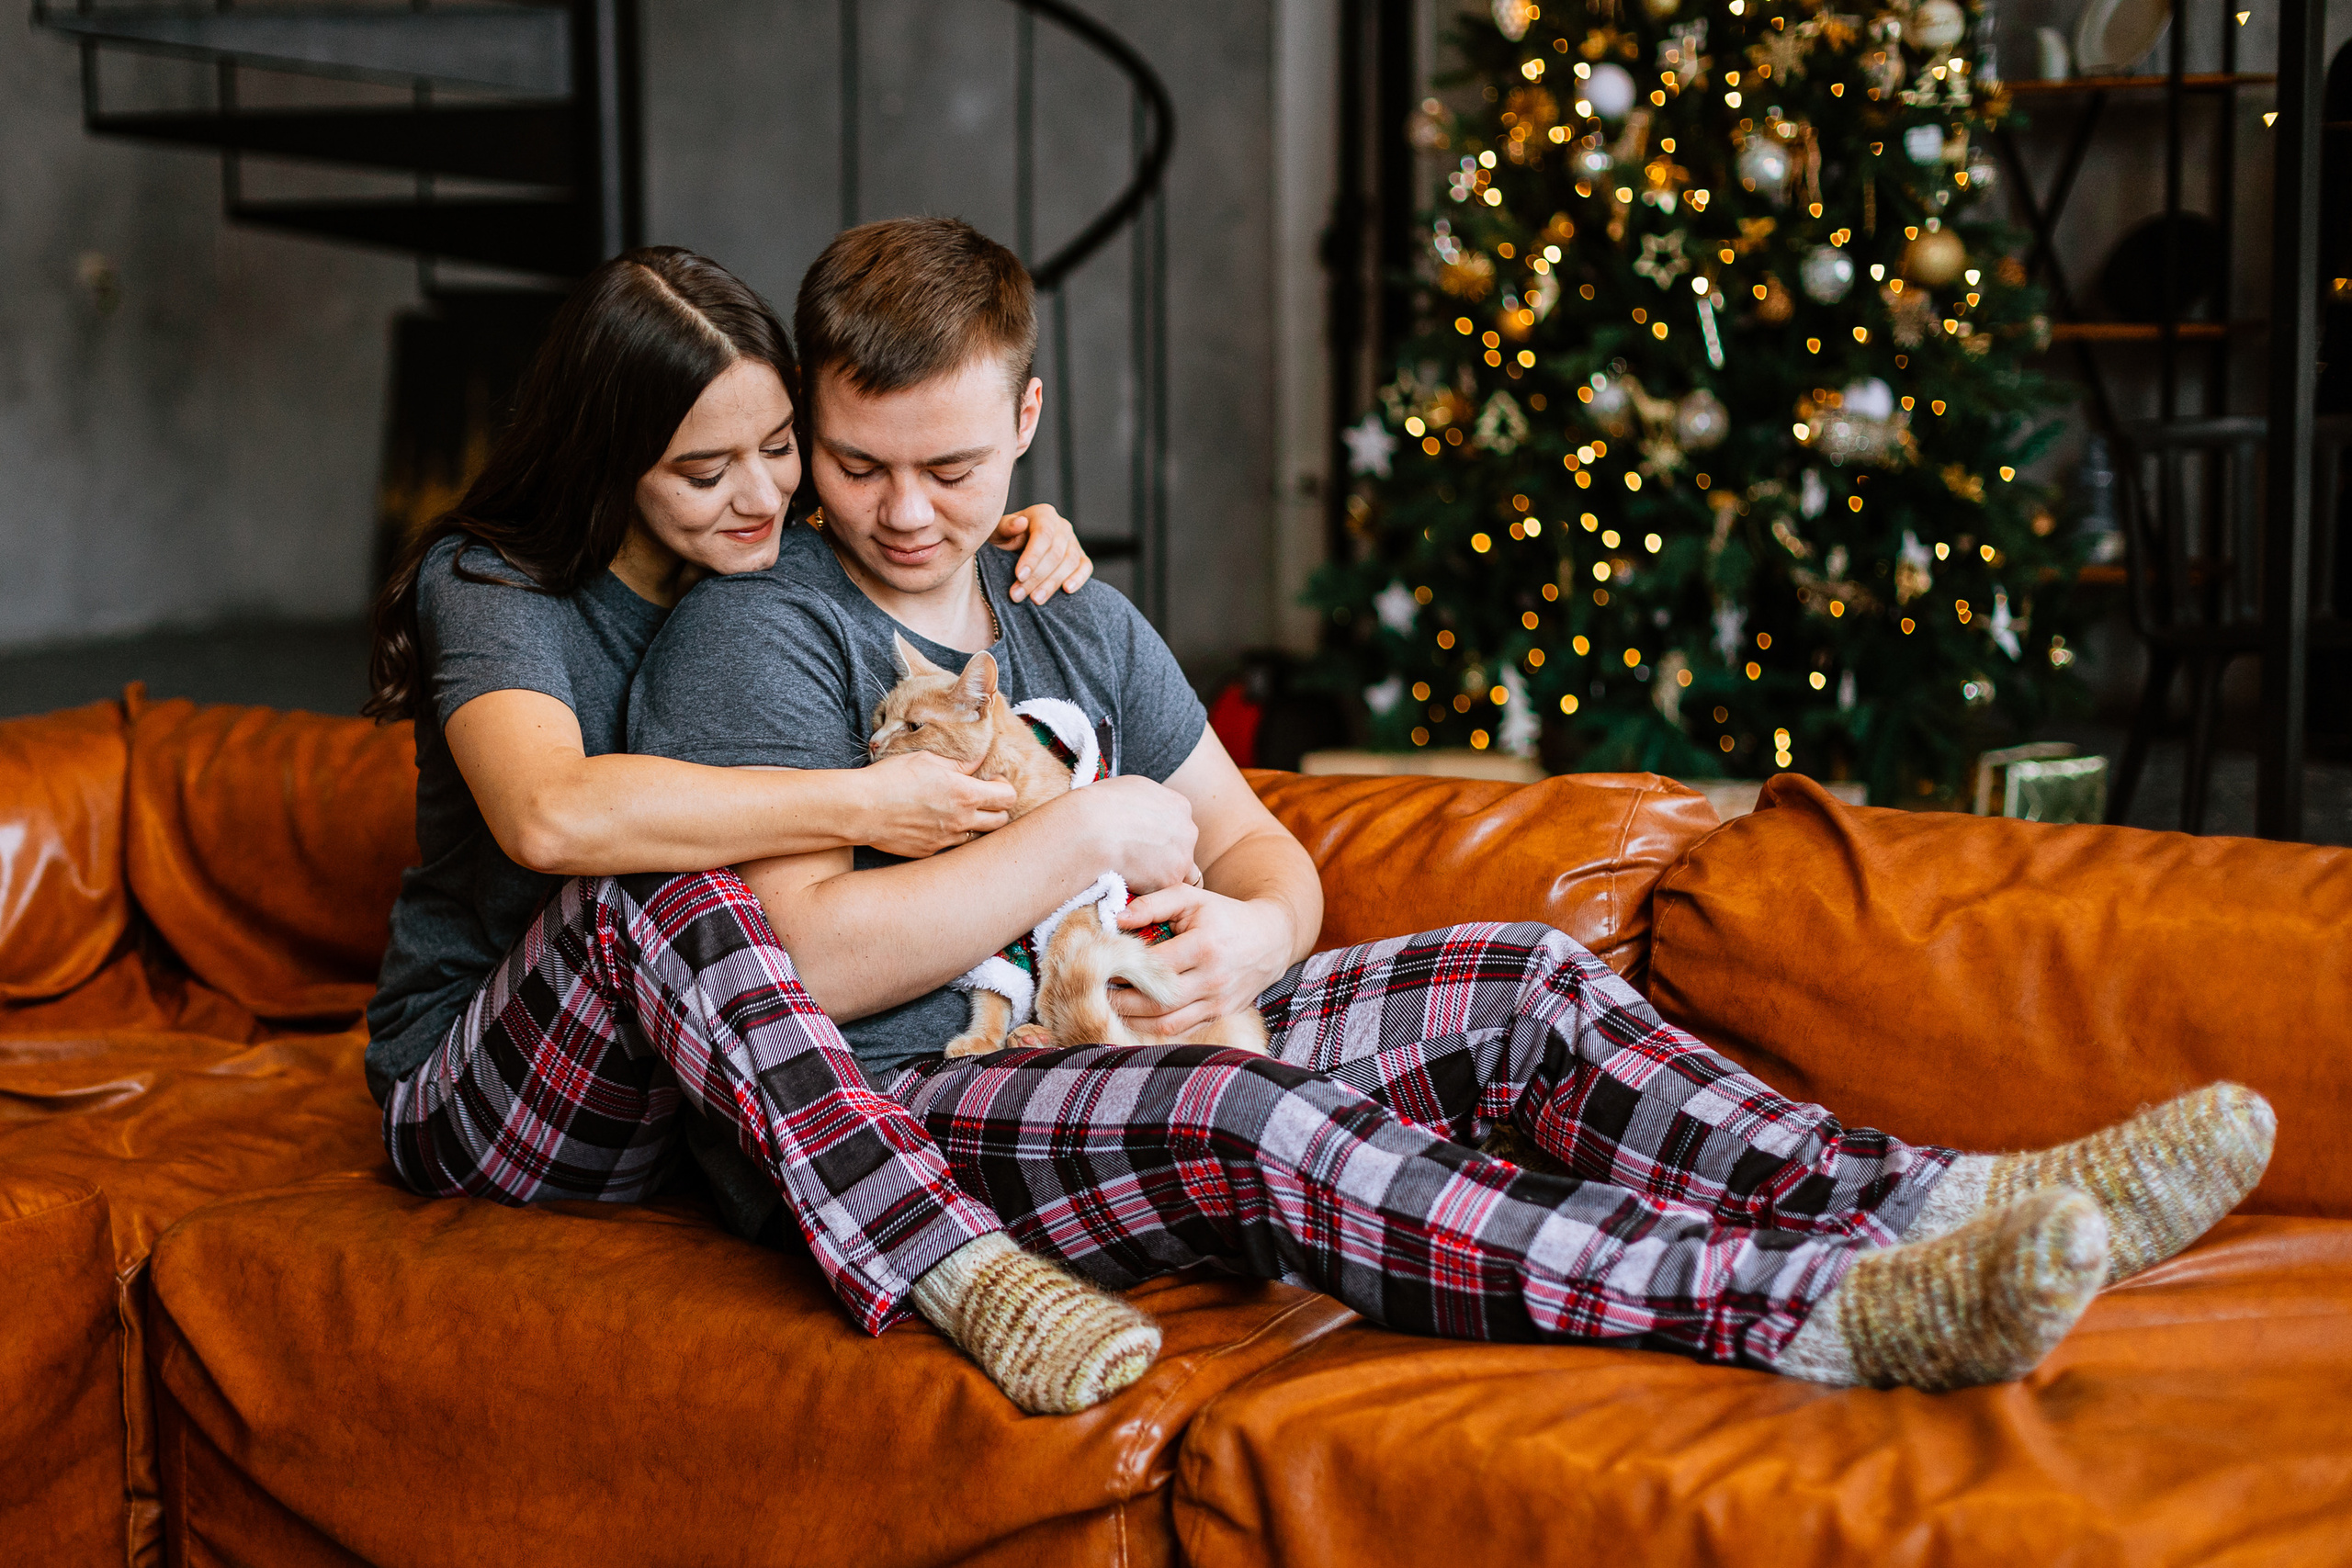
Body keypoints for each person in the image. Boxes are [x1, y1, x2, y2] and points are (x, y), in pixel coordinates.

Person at [626, 216, 2279, 1408]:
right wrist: (1078, 840)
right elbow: (803, 969)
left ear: (1030, 424)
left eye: (955, 469)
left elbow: (1264, 850)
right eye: (856, 466)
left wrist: (1251, 937)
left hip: (1143, 1029)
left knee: (1526, 974)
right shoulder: (760, 629)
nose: (907, 516)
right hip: (921, 1111)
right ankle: (1828, 1306)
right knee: (1253, 1117)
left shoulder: (1068, 609)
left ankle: (1933, 1199)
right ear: (811, 425)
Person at [364, 247, 1196, 1409]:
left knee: (703, 895)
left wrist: (1003, 528)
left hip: (696, 1100)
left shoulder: (763, 560)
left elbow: (911, 505)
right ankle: (954, 1265)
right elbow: (550, 817)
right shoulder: (491, 583)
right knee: (654, 887)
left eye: (778, 449)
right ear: (612, 463)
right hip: (493, 1087)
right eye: (704, 471)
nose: (760, 498)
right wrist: (860, 804)